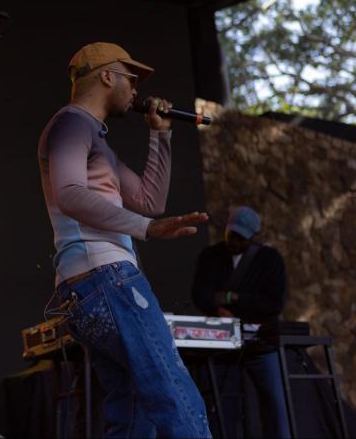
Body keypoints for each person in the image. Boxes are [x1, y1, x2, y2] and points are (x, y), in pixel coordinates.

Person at [38, 42, 212, 438]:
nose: (136, 90)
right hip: (106, 277)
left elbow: (150, 200)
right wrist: (147, 229)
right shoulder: (72, 124)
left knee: (133, 410)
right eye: (131, 79)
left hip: (93, 285)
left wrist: (160, 136)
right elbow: (69, 193)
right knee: (174, 391)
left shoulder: (97, 141)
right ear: (106, 76)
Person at [192, 205, 289, 438]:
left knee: (275, 402)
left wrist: (233, 298)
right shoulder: (211, 256)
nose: (234, 241)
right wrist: (218, 308)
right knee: (220, 401)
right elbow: (200, 293)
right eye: (231, 235)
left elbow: (274, 302)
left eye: (241, 237)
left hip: (259, 341)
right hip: (222, 340)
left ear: (254, 237)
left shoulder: (270, 260)